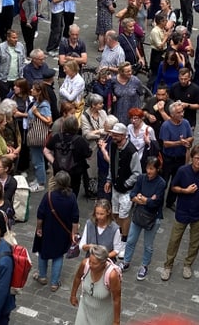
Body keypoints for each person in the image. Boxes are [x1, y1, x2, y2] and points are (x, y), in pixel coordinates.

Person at [159, 144, 199, 282]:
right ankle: (168, 265)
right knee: (174, 240)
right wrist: (185, 191)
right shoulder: (183, 171)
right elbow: (173, 188)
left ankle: (188, 264)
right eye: (196, 158)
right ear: (192, 158)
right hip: (182, 210)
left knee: (194, 242)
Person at [34, 171, 81, 291]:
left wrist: (39, 228)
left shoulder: (48, 196)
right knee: (58, 255)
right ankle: (54, 283)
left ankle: (42, 276)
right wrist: (74, 234)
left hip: (47, 230)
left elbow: (40, 215)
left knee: (42, 252)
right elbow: (75, 218)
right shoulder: (72, 197)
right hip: (63, 232)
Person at [123, 156, 167, 281]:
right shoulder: (141, 178)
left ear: (157, 169)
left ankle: (144, 265)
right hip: (139, 214)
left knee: (148, 245)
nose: (149, 171)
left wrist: (143, 199)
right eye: (148, 168)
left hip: (153, 217)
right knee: (131, 240)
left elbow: (156, 203)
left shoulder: (161, 183)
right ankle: (126, 261)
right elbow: (132, 194)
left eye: (152, 168)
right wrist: (145, 200)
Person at [103, 123, 141, 254]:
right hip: (115, 187)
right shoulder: (113, 146)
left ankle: (124, 241)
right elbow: (111, 165)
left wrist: (125, 184)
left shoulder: (131, 151)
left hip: (126, 190)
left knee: (124, 216)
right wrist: (109, 179)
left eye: (116, 135)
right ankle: (117, 237)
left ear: (123, 136)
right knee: (115, 213)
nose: (113, 136)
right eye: (113, 134)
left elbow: (137, 173)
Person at [69, 245, 122, 325]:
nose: (90, 264)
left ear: (103, 263)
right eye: (90, 261)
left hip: (103, 316)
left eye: (94, 263)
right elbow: (77, 277)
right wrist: (73, 295)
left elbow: (117, 299)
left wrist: (116, 321)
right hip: (84, 309)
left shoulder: (112, 275)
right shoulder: (85, 264)